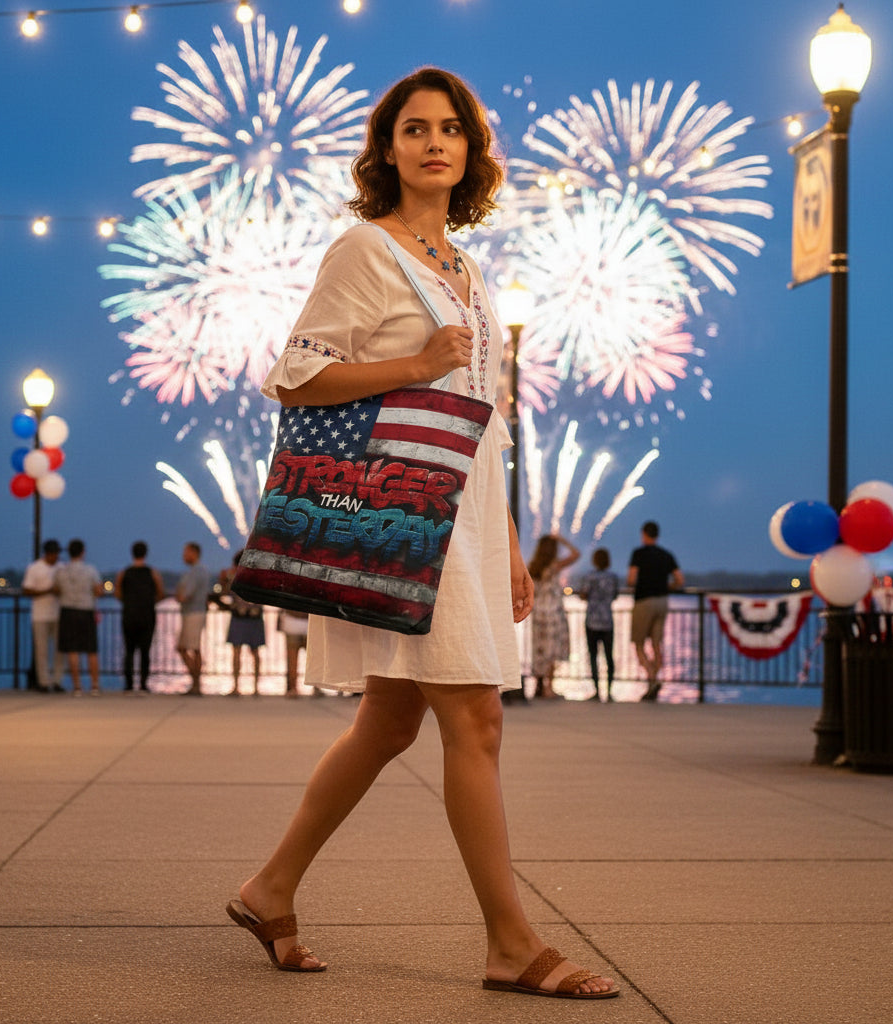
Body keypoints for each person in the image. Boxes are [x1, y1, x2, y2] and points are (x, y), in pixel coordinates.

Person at [224, 68, 617, 1000]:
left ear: (471, 152)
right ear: (388, 149)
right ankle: (512, 944)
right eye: (415, 129)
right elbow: (295, 376)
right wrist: (413, 360)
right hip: (403, 518)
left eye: (452, 130)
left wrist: (511, 539)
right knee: (474, 716)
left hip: (468, 515)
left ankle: (268, 887)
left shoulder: (466, 269)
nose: (435, 143)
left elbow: (483, 417)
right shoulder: (366, 250)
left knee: (392, 717)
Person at [627, 521, 684, 702]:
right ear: (657, 535)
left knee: (638, 643)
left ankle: (651, 677)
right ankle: (655, 679)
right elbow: (680, 580)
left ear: (643, 534)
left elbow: (631, 579)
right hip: (663, 601)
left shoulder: (638, 554)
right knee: (657, 644)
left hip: (644, 601)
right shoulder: (666, 555)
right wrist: (667, 587)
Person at [526, 535, 580, 700]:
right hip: (553, 613)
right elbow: (576, 554)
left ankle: (539, 685)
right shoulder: (554, 566)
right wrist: (562, 539)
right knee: (551, 651)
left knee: (539, 650)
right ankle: (549, 687)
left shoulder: (533, 566)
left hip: (537, 614)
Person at [56, 539, 105, 696]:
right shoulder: (90, 570)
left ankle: (77, 687)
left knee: (72, 651)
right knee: (91, 650)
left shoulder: (61, 571)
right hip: (86, 611)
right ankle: (95, 686)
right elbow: (98, 591)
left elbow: (57, 589)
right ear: (83, 552)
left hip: (67, 611)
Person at [115, 541, 165, 693]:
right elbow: (160, 593)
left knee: (129, 651)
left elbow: (118, 593)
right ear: (145, 553)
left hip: (129, 615)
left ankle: (129, 684)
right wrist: (149, 601)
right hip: (147, 616)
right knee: (145, 651)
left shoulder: (124, 573)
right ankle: (143, 683)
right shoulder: (152, 573)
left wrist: (129, 601)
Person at [215, 550, 265, 696]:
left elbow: (223, 592)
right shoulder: (259, 575)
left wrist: (223, 580)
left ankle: (236, 686)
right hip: (254, 617)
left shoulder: (232, 575)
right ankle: (256, 688)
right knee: (255, 652)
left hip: (239, 616)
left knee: (237, 651)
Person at [578, 548, 620, 702]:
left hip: (591, 621)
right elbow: (615, 595)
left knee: (593, 656)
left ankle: (596, 691)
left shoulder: (589, 577)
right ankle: (609, 692)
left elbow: (584, 594)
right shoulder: (613, 577)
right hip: (607, 621)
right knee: (609, 656)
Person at [22, 539, 64, 693]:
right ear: (48, 553)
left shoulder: (61, 568)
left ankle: (57, 680)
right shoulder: (34, 568)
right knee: (42, 650)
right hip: (40, 615)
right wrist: (48, 591)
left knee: (60, 650)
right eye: (55, 553)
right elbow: (26, 590)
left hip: (58, 614)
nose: (57, 556)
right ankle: (44, 682)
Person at [175, 542, 210, 696]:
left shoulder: (196, 571)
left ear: (193, 553)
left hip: (193, 613)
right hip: (194, 612)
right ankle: (195, 683)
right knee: (189, 648)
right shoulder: (198, 571)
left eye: (185, 552)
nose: (183, 556)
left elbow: (184, 595)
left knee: (191, 648)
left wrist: (180, 594)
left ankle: (196, 683)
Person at [277, 610, 309, 698]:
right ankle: (292, 687)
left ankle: (316, 686)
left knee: (314, 659)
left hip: (303, 623)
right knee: (292, 660)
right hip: (293, 624)